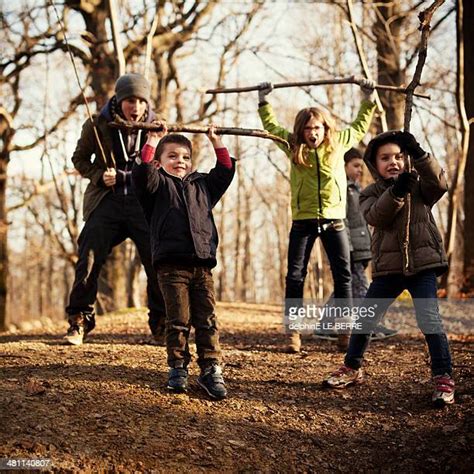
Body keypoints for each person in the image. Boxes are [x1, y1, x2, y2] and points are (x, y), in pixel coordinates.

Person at [323, 131, 455, 407]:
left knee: (429, 319)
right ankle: (352, 366)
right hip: (388, 269)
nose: (392, 162)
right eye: (385, 158)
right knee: (365, 319)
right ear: (374, 164)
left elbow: (440, 184)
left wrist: (418, 153)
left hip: (423, 265)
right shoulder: (368, 193)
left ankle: (443, 375)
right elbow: (377, 216)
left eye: (398, 156)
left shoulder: (420, 185)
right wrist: (396, 191)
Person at [258, 80, 377, 352]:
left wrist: (368, 98)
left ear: (326, 129)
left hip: (334, 220)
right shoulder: (292, 147)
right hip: (303, 221)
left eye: (317, 127)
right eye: (308, 128)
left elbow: (359, 125)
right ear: (301, 130)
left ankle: (344, 331)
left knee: (343, 275)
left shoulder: (338, 145)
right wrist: (264, 102)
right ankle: (293, 332)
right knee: (295, 276)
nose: (313, 133)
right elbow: (271, 128)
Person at [132, 125, 235, 400]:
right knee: (178, 320)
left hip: (202, 264)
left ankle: (210, 368)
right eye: (173, 157)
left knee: (207, 320)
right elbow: (142, 175)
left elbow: (225, 171)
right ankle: (177, 368)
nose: (180, 162)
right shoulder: (156, 186)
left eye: (185, 157)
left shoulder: (202, 185)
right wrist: (152, 140)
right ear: (159, 162)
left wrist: (216, 140)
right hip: (171, 267)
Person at [64, 73, 166, 346]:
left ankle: (162, 323)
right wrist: (99, 176)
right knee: (89, 255)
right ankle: (79, 320)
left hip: (143, 204)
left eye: (140, 101)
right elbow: (79, 159)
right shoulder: (97, 124)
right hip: (107, 200)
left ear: (147, 103)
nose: (135, 107)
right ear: (119, 101)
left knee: (158, 259)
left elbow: (167, 164)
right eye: (130, 100)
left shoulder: (158, 127)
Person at [315, 148, 398, 341]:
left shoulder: (356, 189)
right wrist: (347, 249)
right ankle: (372, 324)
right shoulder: (342, 189)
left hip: (361, 248)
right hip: (349, 249)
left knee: (346, 288)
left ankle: (324, 326)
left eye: (361, 166)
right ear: (342, 166)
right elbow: (341, 222)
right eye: (355, 166)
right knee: (362, 288)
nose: (359, 170)